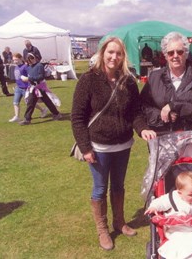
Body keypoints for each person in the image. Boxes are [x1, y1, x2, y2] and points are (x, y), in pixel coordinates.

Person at [71, 37, 156, 251]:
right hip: (98, 147)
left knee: (118, 186)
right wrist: (85, 148)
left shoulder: (128, 80)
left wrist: (142, 128)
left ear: (123, 56)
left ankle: (120, 222)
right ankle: (103, 230)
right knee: (100, 188)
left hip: (123, 145)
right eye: (110, 52)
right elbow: (77, 117)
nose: (114, 57)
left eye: (118, 53)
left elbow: (135, 112)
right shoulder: (88, 80)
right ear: (102, 53)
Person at [140, 31, 192, 134]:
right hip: (162, 140)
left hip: (190, 140)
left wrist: (175, 107)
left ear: (186, 53)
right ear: (165, 55)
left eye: (180, 52)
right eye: (170, 53)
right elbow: (143, 106)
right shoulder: (154, 78)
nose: (175, 55)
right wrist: (161, 115)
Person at [19, 53, 62, 125]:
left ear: (34, 58)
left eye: (31, 59)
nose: (30, 61)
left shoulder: (39, 66)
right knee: (31, 103)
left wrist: (29, 78)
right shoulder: (29, 67)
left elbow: (41, 77)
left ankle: (56, 114)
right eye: (28, 60)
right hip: (33, 88)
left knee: (47, 101)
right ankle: (27, 119)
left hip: (40, 87)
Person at [8, 53, 48, 122]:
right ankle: (17, 116)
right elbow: (17, 78)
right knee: (15, 102)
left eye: (16, 60)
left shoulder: (25, 67)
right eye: (14, 60)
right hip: (18, 88)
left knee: (29, 103)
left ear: (20, 58)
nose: (15, 61)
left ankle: (43, 110)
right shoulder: (16, 67)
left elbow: (30, 76)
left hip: (26, 88)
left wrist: (29, 85)